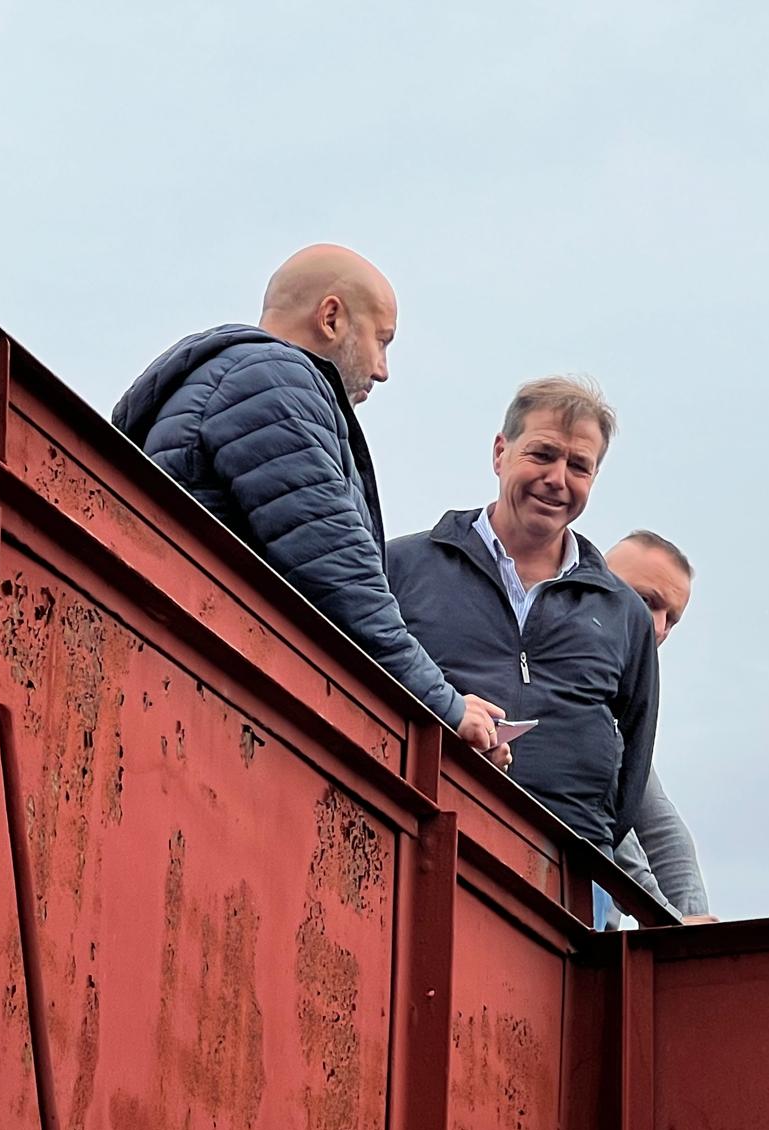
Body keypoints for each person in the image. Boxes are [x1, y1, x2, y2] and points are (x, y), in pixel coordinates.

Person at [111, 244, 507, 757]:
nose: (383, 369)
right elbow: (340, 576)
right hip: (217, 705)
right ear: (332, 318)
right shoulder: (274, 382)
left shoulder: (232, 380)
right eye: (381, 341)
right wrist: (446, 707)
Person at [385, 377, 660, 925]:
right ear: (499, 452)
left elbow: (633, 761)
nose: (557, 480)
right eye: (542, 454)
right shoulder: (403, 568)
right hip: (420, 846)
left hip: (575, 882)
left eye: (579, 466)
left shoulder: (624, 612)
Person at [604, 531, 716, 925]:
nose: (658, 627)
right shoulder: (553, 665)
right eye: (646, 601)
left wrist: (695, 927)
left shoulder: (621, 706)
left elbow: (663, 833)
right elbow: (603, 820)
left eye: (672, 619)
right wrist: (667, 922)